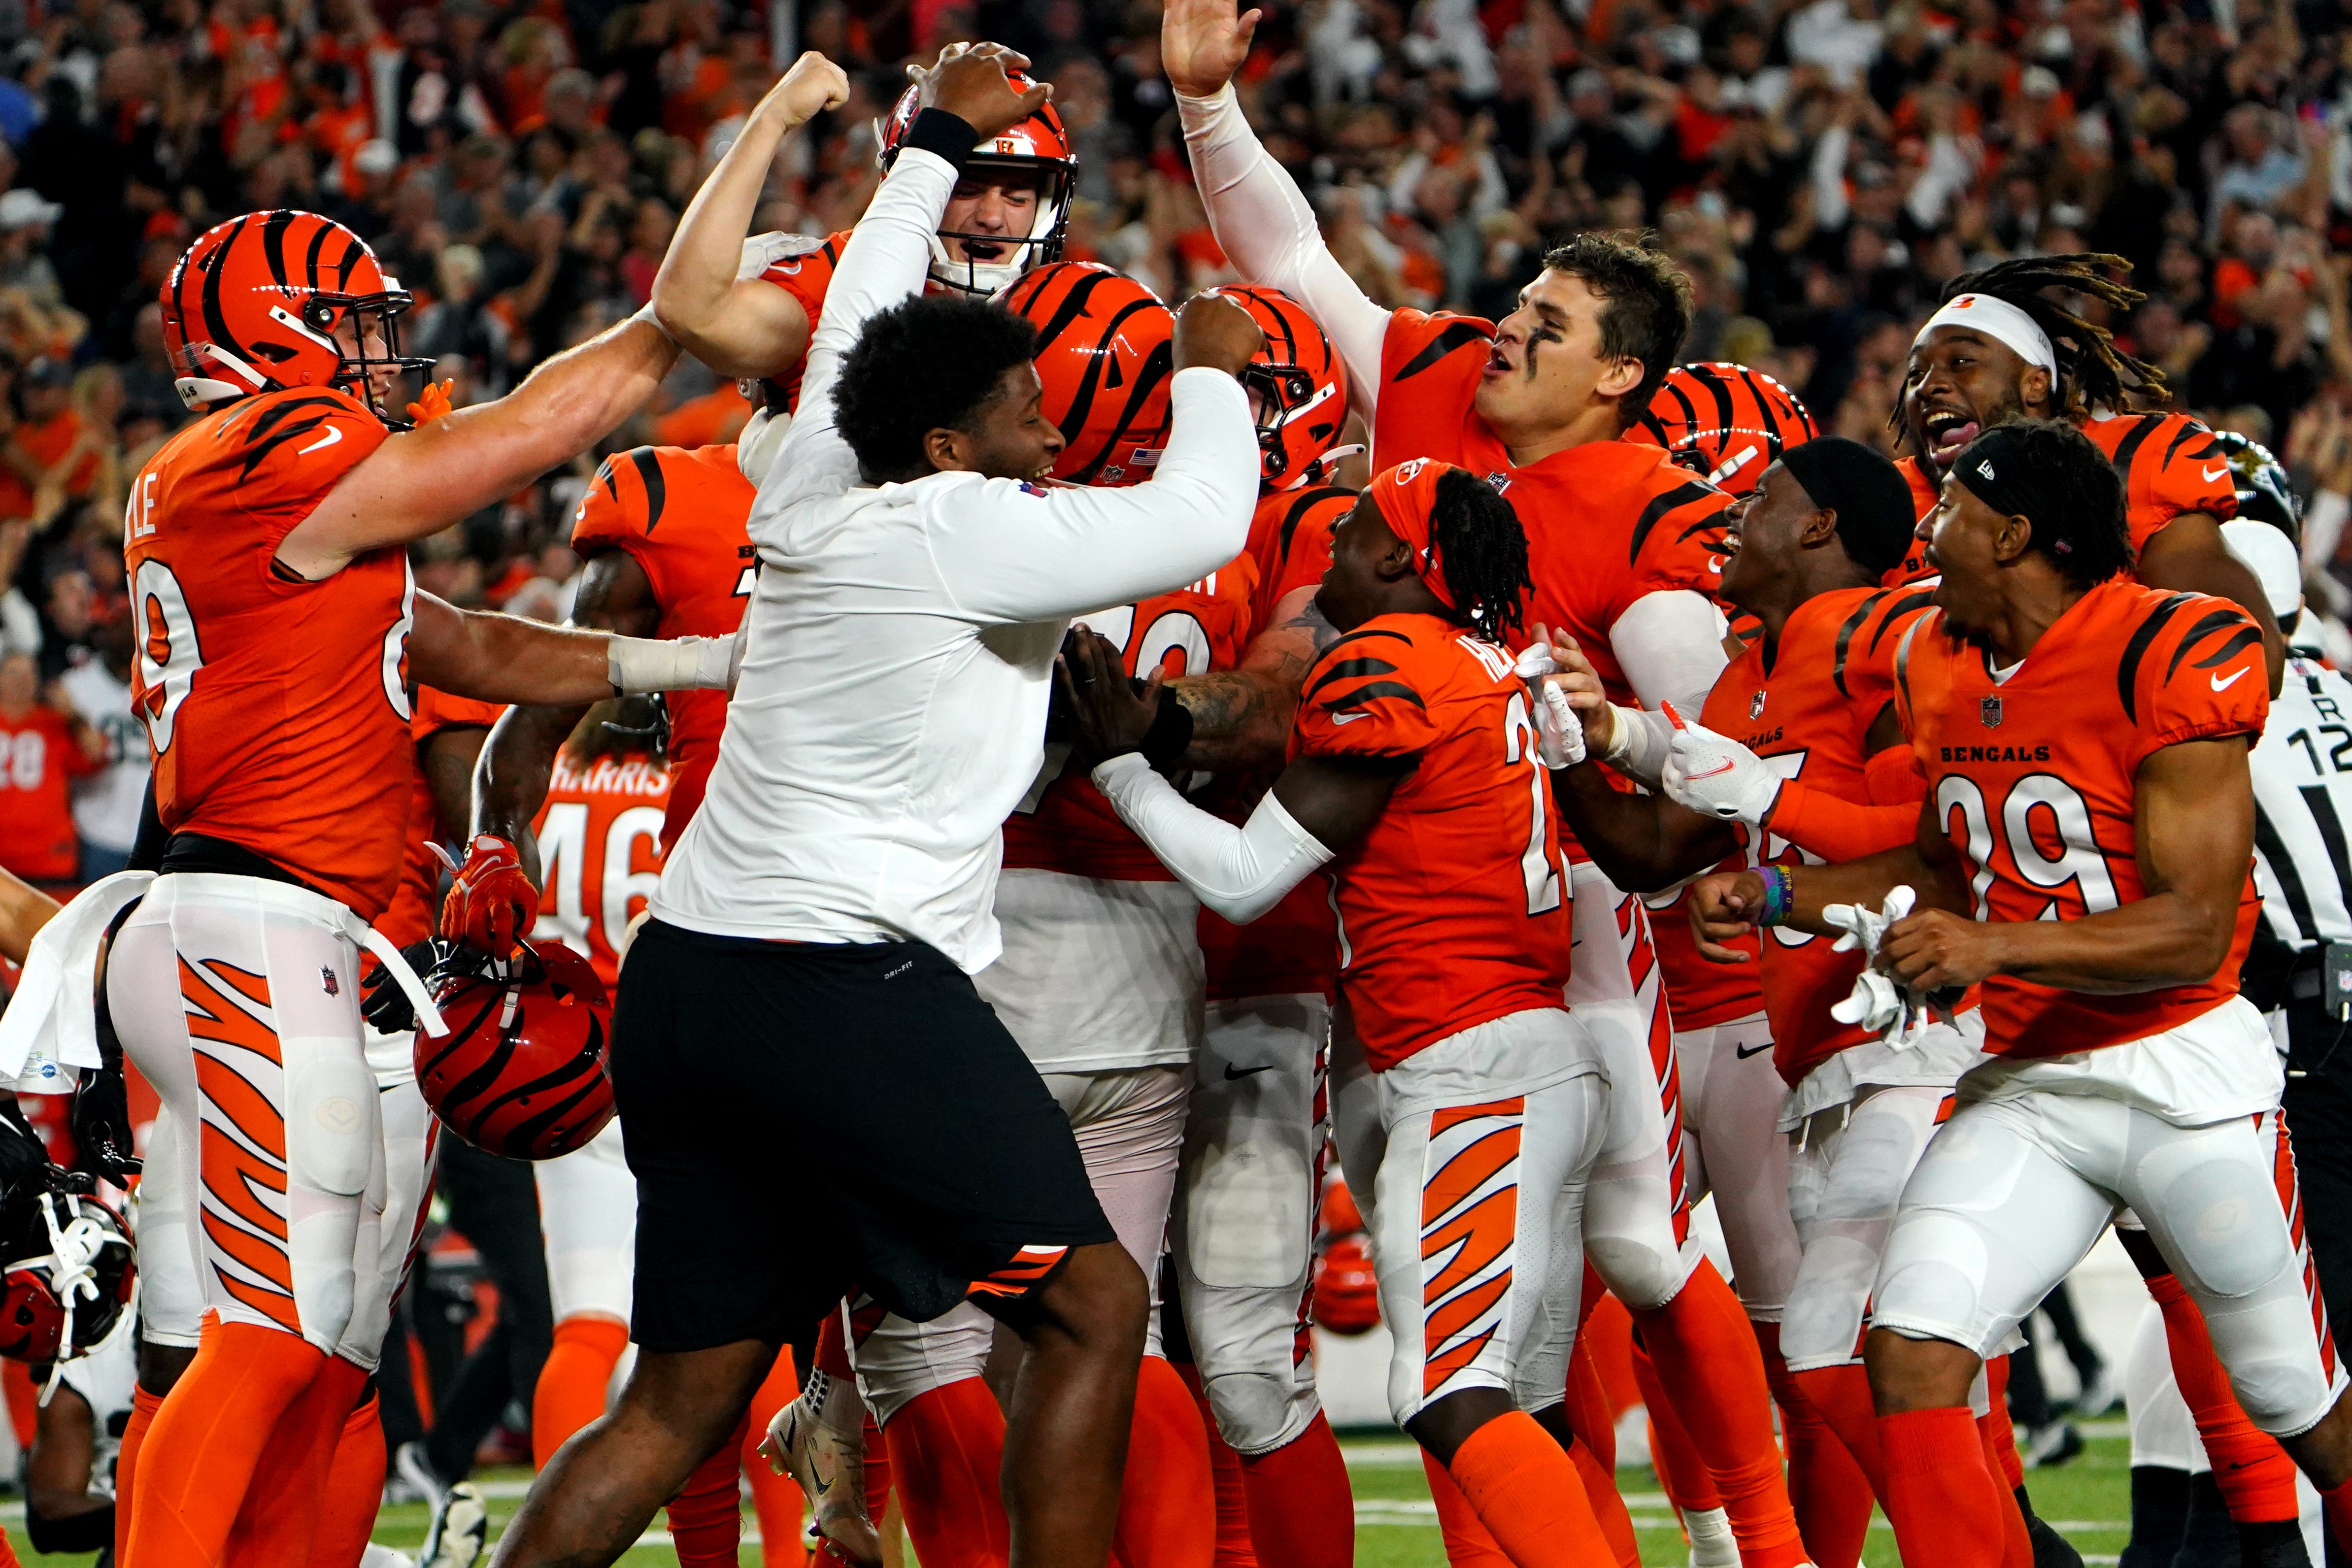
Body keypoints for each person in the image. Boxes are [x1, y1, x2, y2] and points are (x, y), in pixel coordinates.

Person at [485, 46, 1265, 1568]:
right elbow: (1203, 513)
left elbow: (854, 320)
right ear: (950, 447)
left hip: (691, 981)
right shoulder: (962, 529)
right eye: (1026, 414)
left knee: (677, 1399)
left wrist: (931, 147)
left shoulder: (809, 486)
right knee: (1095, 1299)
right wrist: (1213, 366)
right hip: (833, 975)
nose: (1053, 436)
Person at [1162, 4, 1805, 1559]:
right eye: (1519, 302)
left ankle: (1750, 1542)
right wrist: (1207, 104)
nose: (1506, 327)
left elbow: (1704, 740)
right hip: (1395, 912)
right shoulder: (1436, 385)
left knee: (1632, 1243)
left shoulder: (1647, 509)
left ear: (1622, 374)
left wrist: (1645, 779)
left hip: (1560, 903)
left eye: (1549, 320)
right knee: (1470, 1312)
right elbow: (1290, 257)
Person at [90, 146, 739, 1561]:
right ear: (276, 336)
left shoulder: (275, 504)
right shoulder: (262, 454)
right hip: (261, 919)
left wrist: (699, 659)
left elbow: (477, 647)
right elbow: (532, 429)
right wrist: (672, 320)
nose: (385, 352)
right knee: (272, 1340)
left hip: (279, 923)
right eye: (355, 325)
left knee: (331, 1354)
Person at [1687, 418, 2352, 1568]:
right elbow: (1942, 864)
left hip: (2181, 1073)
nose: (1927, 529)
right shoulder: (1938, 660)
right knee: (1910, 1348)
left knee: (2301, 1404)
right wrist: (1782, 891)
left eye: (1952, 508)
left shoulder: (2167, 645)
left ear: (2014, 535)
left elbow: (2194, 928)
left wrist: (1988, 946)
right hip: (2031, 1079)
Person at [1060, 457, 1618, 1568]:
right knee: (1525, 1405)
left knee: (1450, 1393)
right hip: (1529, 1053)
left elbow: (1241, 877)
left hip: (1468, 1059)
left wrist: (1121, 764)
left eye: (1355, 527)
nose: (1329, 545)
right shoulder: (1493, 660)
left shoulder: (1390, 659)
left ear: (1402, 557)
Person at [1890, 257, 2280, 690]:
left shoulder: (2128, 463)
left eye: (1961, 361)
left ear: (2035, 384)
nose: (1928, 385)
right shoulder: (1885, 502)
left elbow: (2249, 658)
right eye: (1915, 373)